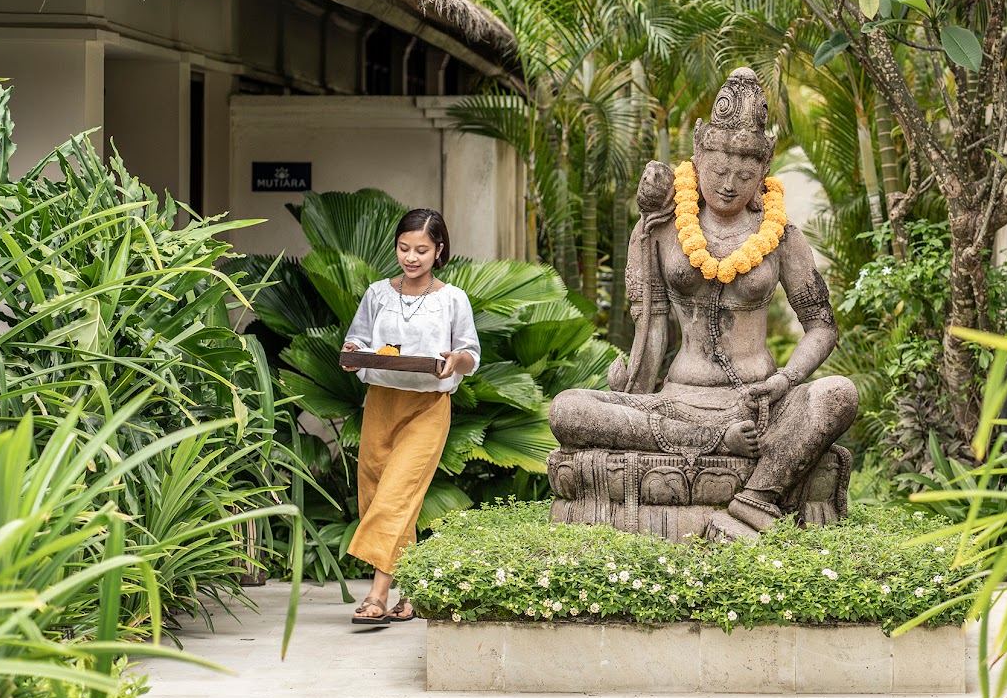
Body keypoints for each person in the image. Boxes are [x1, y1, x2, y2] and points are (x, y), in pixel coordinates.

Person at [548, 68, 857, 540]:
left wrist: (783, 381)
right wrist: (633, 388)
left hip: (758, 407)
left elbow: (822, 326)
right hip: (676, 404)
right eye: (718, 170)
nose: (729, 184)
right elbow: (649, 327)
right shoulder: (664, 225)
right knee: (568, 409)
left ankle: (755, 500)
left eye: (744, 173)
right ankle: (719, 449)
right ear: (697, 155)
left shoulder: (781, 237)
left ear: (763, 171)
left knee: (838, 394)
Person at [340, 208, 479, 624]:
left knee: (396, 495)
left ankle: (377, 596)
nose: (411, 257)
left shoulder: (453, 299)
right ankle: (414, 592)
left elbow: (470, 354)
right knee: (375, 494)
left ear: (439, 252)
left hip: (428, 408)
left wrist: (456, 361)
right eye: (404, 248)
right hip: (381, 402)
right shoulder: (377, 293)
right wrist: (352, 354)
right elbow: (358, 338)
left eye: (422, 249)